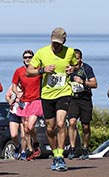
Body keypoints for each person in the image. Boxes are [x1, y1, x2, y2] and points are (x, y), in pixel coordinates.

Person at [26, 27, 78, 171]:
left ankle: (60, 156)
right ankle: (55, 154)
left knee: (61, 123)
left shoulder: (70, 52)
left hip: (64, 92)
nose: (56, 46)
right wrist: (42, 70)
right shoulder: (42, 52)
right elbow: (29, 71)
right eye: (54, 42)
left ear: (64, 42)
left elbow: (76, 64)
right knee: (50, 128)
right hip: (47, 95)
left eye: (59, 43)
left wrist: (72, 69)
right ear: (51, 39)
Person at [11, 49, 42, 161]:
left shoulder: (38, 70)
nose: (27, 59)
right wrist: (17, 92)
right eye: (25, 57)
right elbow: (14, 85)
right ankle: (30, 150)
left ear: (33, 58)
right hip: (24, 102)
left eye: (30, 57)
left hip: (36, 100)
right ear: (23, 59)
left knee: (30, 126)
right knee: (26, 129)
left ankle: (36, 142)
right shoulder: (19, 71)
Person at [67, 49, 97, 160]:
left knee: (85, 126)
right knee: (72, 122)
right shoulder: (68, 68)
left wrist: (83, 82)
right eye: (73, 58)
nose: (75, 61)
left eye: (77, 58)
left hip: (85, 99)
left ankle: (85, 148)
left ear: (81, 59)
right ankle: (73, 148)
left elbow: (94, 84)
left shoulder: (87, 68)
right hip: (72, 99)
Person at [5, 85, 27, 160]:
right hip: (14, 112)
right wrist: (9, 101)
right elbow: (7, 96)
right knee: (14, 135)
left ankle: (23, 152)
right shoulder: (12, 86)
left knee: (24, 135)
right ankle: (17, 146)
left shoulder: (27, 86)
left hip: (24, 112)